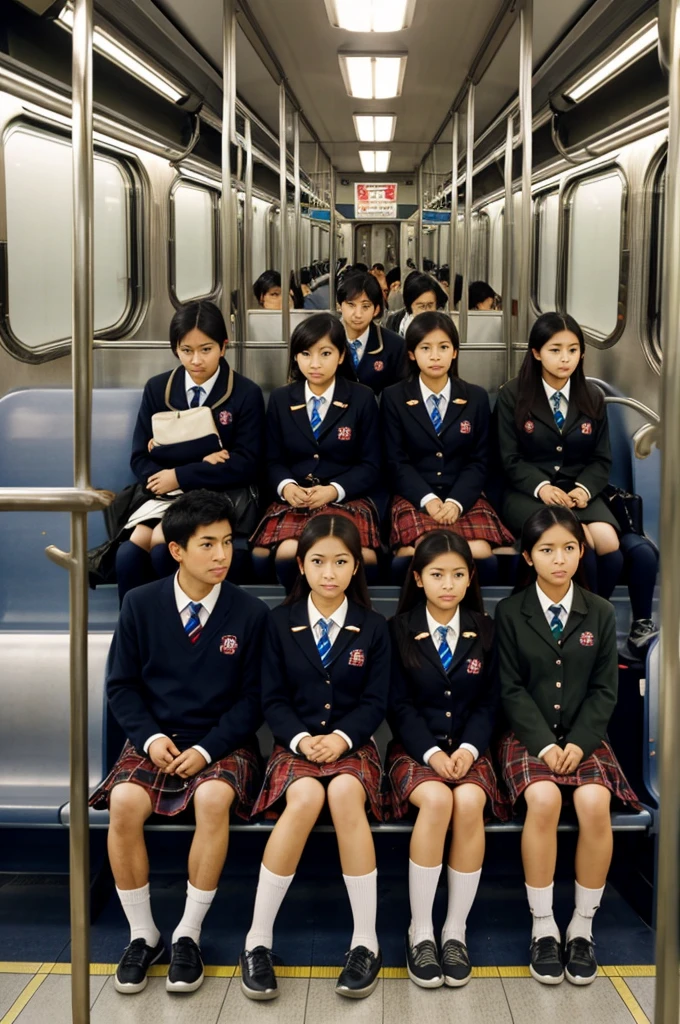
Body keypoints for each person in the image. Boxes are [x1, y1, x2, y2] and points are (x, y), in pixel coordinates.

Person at [89, 491, 269, 995]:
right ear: (176, 551)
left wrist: (207, 750)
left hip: (222, 745)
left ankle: (188, 933)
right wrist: (149, 739)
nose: (221, 555)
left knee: (213, 799)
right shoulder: (140, 605)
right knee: (124, 801)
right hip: (156, 742)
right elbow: (121, 687)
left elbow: (254, 700)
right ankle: (143, 934)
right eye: (207, 544)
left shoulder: (249, 613)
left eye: (228, 542)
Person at [240, 515, 389, 1001]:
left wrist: (342, 739)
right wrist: (303, 741)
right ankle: (257, 940)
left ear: (355, 567)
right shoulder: (277, 622)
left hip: (351, 745)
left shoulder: (373, 627)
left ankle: (365, 941)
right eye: (319, 561)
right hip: (296, 745)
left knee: (346, 792)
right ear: (301, 565)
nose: (330, 572)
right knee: (303, 797)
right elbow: (272, 699)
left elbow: (375, 702)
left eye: (341, 562)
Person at [495, 506, 640, 986]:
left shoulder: (598, 609)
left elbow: (605, 691)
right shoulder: (510, 612)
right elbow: (511, 689)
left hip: (585, 738)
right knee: (544, 799)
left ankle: (581, 926)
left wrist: (579, 743)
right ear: (528, 556)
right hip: (528, 738)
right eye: (547, 550)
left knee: (595, 802)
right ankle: (542, 926)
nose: (560, 559)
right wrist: (542, 745)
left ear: (581, 551)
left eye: (570, 548)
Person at [387, 531, 506, 989]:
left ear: (470, 576)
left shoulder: (485, 627)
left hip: (470, 750)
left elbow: (489, 705)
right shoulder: (398, 629)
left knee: (471, 802)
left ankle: (454, 931)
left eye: (458, 574)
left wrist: (471, 751)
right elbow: (398, 706)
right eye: (437, 574)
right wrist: (434, 753)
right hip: (417, 751)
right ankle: (420, 931)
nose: (448, 584)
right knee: (437, 802)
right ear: (418, 578)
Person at [116, 301, 265, 600]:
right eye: (186, 350)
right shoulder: (158, 389)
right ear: (176, 349)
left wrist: (180, 473)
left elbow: (245, 463)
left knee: (163, 552)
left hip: (222, 496)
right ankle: (139, 635)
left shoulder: (245, 393)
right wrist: (185, 470)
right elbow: (140, 457)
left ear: (223, 347)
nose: (196, 360)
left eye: (206, 349)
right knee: (128, 556)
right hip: (165, 494)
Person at [495, 312, 624, 599]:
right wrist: (542, 487)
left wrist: (584, 490)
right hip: (527, 492)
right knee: (580, 542)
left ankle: (597, 610)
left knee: (609, 543)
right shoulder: (513, 396)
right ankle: (575, 614)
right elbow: (509, 458)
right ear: (536, 353)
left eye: (573, 350)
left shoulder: (592, 396)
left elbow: (601, 459)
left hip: (578, 490)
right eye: (555, 350)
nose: (565, 358)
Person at [251, 312, 382, 588]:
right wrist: (287, 487)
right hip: (296, 498)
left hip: (346, 498)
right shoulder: (281, 399)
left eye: (325, 353)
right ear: (296, 357)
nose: (315, 364)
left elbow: (371, 465)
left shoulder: (361, 398)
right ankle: (296, 611)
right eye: (306, 354)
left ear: (342, 355)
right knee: (287, 553)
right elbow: (271, 460)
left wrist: (333, 490)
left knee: (364, 557)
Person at [382, 311, 513, 584]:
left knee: (481, 553)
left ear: (454, 352)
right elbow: (396, 461)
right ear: (411, 354)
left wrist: (456, 501)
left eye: (443, 347)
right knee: (413, 553)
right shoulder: (394, 397)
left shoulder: (474, 397)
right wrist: (428, 500)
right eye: (425, 348)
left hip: (462, 495)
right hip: (415, 496)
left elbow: (480, 460)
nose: (435, 356)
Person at [338, 271, 407, 396]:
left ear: (376, 310)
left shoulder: (395, 346)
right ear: (339, 306)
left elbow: (400, 395)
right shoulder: (327, 341)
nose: (358, 314)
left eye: (365, 306)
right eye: (351, 305)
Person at [387, 272, 448, 337]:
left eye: (430, 305)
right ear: (409, 306)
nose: (426, 311)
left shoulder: (444, 326)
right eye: (421, 306)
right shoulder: (394, 322)